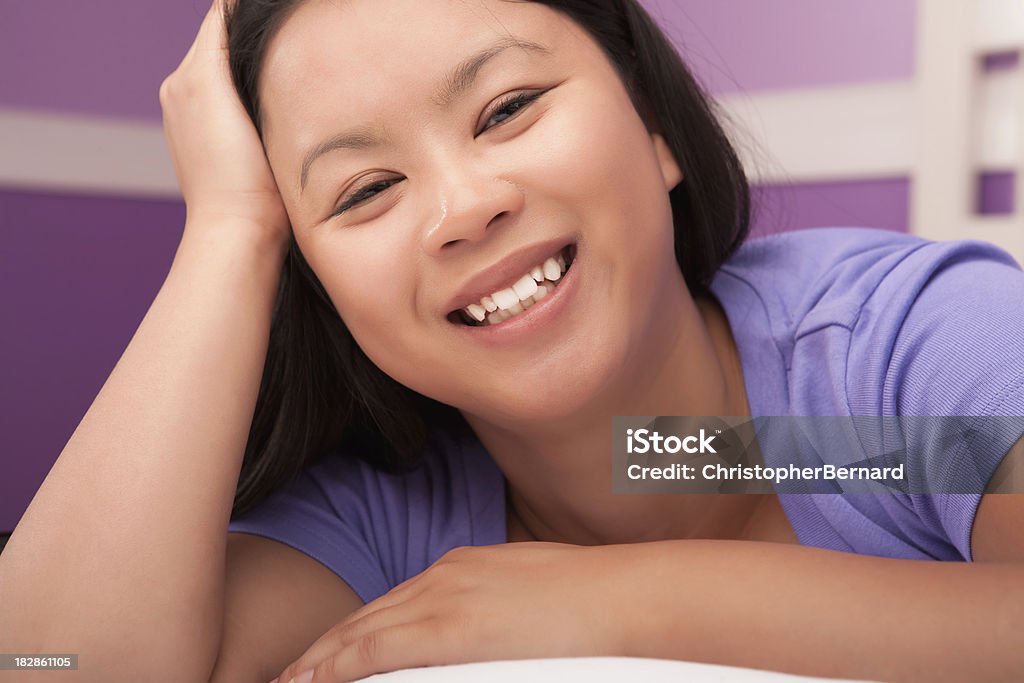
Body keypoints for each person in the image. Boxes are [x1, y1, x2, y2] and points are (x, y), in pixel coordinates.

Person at [1, 1, 1022, 682]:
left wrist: (624, 601)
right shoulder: (389, 526)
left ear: (653, 123)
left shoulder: (872, 382)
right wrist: (230, 228)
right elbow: (58, 667)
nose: (463, 207)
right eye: (364, 191)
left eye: (508, 108)